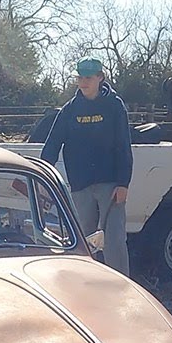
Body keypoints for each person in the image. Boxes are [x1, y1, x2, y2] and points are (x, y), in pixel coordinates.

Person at [40, 56, 133, 275]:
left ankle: (120, 286)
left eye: (89, 77)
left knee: (114, 239)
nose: (83, 82)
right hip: (81, 185)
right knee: (83, 239)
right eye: (80, 77)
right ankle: (85, 284)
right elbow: (52, 144)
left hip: (110, 185)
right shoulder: (70, 110)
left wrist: (123, 183)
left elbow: (123, 145)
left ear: (100, 78)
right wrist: (42, 175)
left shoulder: (114, 106)